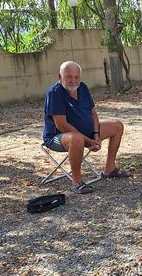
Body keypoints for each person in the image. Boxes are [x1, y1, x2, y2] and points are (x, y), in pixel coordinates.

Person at [43, 61, 128, 194]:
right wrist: (88, 142)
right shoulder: (55, 93)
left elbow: (93, 113)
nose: (73, 80)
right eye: (69, 76)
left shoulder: (82, 87)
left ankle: (110, 168)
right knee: (76, 139)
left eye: (76, 77)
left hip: (87, 133)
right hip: (58, 137)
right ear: (60, 77)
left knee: (117, 126)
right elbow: (62, 125)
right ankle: (77, 182)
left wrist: (96, 135)